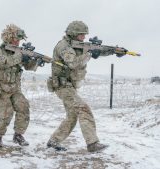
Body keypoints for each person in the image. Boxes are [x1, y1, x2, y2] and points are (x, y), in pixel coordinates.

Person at [47, 21, 124, 152]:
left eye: (84, 35)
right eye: (81, 35)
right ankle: (92, 143)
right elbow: (73, 63)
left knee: (72, 116)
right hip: (62, 86)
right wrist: (89, 54)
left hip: (69, 86)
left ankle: (54, 141)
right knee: (83, 108)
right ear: (73, 34)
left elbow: (97, 50)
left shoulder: (76, 45)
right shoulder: (63, 46)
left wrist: (114, 51)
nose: (84, 37)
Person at [0, 24, 37, 147]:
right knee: (6, 115)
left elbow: (29, 67)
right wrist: (20, 55)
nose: (18, 42)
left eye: (19, 40)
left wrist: (32, 59)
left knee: (24, 108)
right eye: (16, 39)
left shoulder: (19, 52)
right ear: (9, 38)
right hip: (1, 89)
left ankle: (18, 135)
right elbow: (1, 63)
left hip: (15, 88)